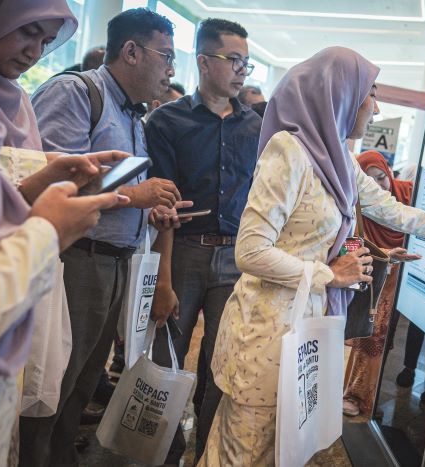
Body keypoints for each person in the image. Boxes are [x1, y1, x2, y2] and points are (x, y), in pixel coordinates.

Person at [200, 46, 425, 465]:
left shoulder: (338, 157)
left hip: (305, 328)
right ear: (339, 94)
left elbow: (390, 209)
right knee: (242, 455)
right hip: (266, 332)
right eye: (371, 94)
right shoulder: (289, 151)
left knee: (275, 453)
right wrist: (331, 275)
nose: (376, 108)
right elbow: (250, 251)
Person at [0, 1, 124, 465]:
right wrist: (44, 233)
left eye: (46, 41)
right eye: (27, 32)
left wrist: (33, 188)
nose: (35, 52)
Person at [18, 8, 186, 466]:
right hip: (75, 260)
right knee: (49, 385)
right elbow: (49, 187)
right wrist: (135, 196)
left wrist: (151, 208)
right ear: (131, 51)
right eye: (166, 56)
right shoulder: (76, 93)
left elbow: (118, 190)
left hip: (116, 262)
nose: (171, 70)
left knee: (82, 386)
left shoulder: (134, 115)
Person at [145, 17, 262, 464]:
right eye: (233, 60)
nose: (241, 70)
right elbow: (161, 208)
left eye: (246, 63)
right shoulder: (167, 121)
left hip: (237, 256)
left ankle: (208, 453)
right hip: (182, 252)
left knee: (223, 360)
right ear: (204, 61)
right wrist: (163, 279)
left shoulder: (256, 127)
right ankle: (164, 451)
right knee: (166, 356)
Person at [342, 150, 422, 417]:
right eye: (370, 180)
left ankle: (405, 373)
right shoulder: (357, 204)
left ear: (389, 172)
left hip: (413, 274)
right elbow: (349, 244)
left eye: (381, 177)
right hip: (380, 275)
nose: (378, 185)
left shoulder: (409, 193)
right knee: (372, 336)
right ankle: (357, 394)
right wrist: (381, 255)